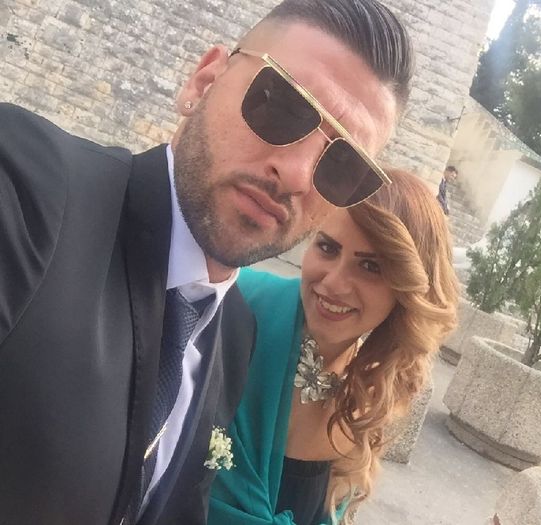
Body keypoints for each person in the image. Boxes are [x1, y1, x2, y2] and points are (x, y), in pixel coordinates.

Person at [0, 1, 413, 523]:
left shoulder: (234, 332)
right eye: (283, 106)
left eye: (343, 166)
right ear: (204, 80)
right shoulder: (29, 184)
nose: (296, 174)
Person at [208, 169, 459, 525]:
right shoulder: (229, 306)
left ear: (407, 291)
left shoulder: (367, 392)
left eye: (370, 266)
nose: (334, 283)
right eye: (328, 248)